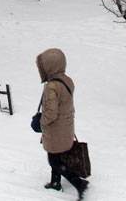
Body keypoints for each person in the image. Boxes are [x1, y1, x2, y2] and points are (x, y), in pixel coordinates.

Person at [36, 48, 88, 199]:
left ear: (49, 66)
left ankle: (79, 183)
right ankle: (55, 183)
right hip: (66, 127)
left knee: (53, 160)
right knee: (58, 156)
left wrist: (41, 123)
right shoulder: (67, 80)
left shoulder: (52, 86)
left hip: (55, 130)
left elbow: (50, 113)